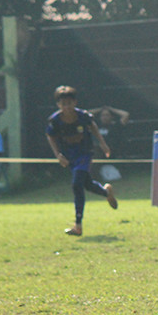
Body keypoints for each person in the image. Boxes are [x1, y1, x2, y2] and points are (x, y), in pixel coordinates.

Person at [45, 86, 118, 236]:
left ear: (75, 103)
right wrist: (58, 154)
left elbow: (93, 127)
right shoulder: (55, 120)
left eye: (70, 104)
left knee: (77, 184)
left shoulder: (83, 116)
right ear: (59, 105)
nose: (67, 107)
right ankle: (106, 192)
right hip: (69, 156)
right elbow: (50, 136)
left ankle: (78, 225)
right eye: (63, 104)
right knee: (87, 185)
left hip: (84, 153)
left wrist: (103, 144)